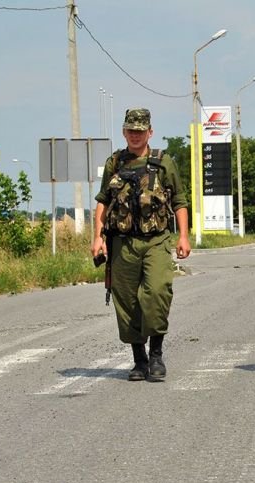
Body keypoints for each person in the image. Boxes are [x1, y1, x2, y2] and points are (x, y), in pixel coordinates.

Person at [91, 108, 191, 382]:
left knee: (157, 292)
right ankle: (140, 360)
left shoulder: (163, 162)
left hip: (156, 240)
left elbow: (179, 200)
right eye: (130, 130)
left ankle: (156, 354)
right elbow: (103, 201)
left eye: (140, 130)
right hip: (122, 243)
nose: (135, 135)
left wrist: (183, 236)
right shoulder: (115, 163)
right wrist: (97, 237)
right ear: (124, 132)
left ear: (150, 132)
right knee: (128, 301)